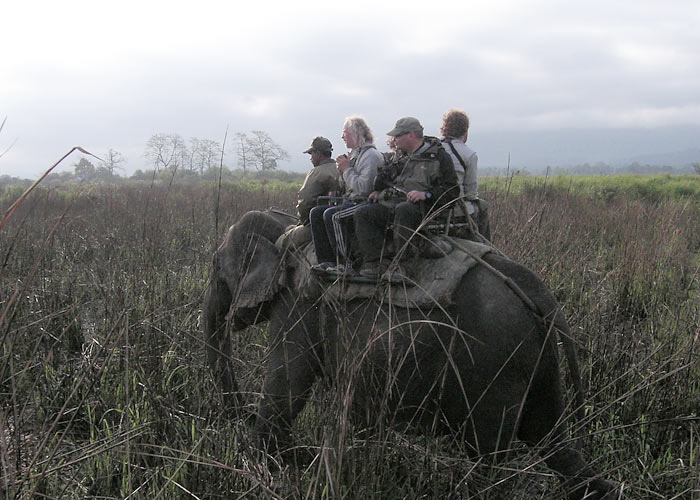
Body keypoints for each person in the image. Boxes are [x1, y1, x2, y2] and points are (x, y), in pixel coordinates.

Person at [353, 117, 459, 279]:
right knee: (364, 212)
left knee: (404, 210)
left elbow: (452, 191)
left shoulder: (438, 157)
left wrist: (426, 194)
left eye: (397, 136)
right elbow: (382, 182)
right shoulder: (399, 157)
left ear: (411, 135)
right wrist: (379, 189)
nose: (394, 140)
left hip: (423, 208)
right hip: (393, 204)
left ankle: (403, 266)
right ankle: (374, 263)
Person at [310, 116, 382, 273]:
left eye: (345, 133)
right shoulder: (355, 154)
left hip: (364, 202)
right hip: (351, 200)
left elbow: (364, 189)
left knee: (333, 216)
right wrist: (341, 172)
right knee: (316, 212)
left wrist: (347, 170)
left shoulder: (370, 156)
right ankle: (326, 260)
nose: (342, 137)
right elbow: (348, 185)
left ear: (357, 134)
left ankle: (346, 262)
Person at [277, 136, 340, 249]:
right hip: (337, 222)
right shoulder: (340, 168)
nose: (310, 158)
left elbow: (305, 202)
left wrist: (302, 220)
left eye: (311, 154)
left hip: (316, 225)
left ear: (319, 154)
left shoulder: (316, 172)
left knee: (282, 241)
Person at [440, 109, 478, 216]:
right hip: (455, 208)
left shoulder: (432, 147)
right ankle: (479, 233)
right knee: (482, 206)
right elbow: (471, 193)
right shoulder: (469, 154)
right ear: (465, 130)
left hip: (428, 207)